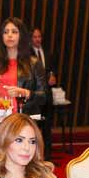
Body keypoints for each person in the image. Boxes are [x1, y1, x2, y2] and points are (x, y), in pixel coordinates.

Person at [0, 18, 47, 117]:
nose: (9, 35)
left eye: (14, 32)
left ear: (21, 35)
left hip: (21, 118)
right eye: (5, 32)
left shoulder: (34, 63)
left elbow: (44, 97)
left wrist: (26, 93)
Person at [31, 27, 57, 160]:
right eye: (35, 37)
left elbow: (52, 70)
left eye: (39, 37)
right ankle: (34, 155)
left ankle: (47, 156)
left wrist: (53, 77)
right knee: (34, 125)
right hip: (34, 94)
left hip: (47, 94)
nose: (37, 39)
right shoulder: (28, 54)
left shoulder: (47, 53)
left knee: (47, 125)